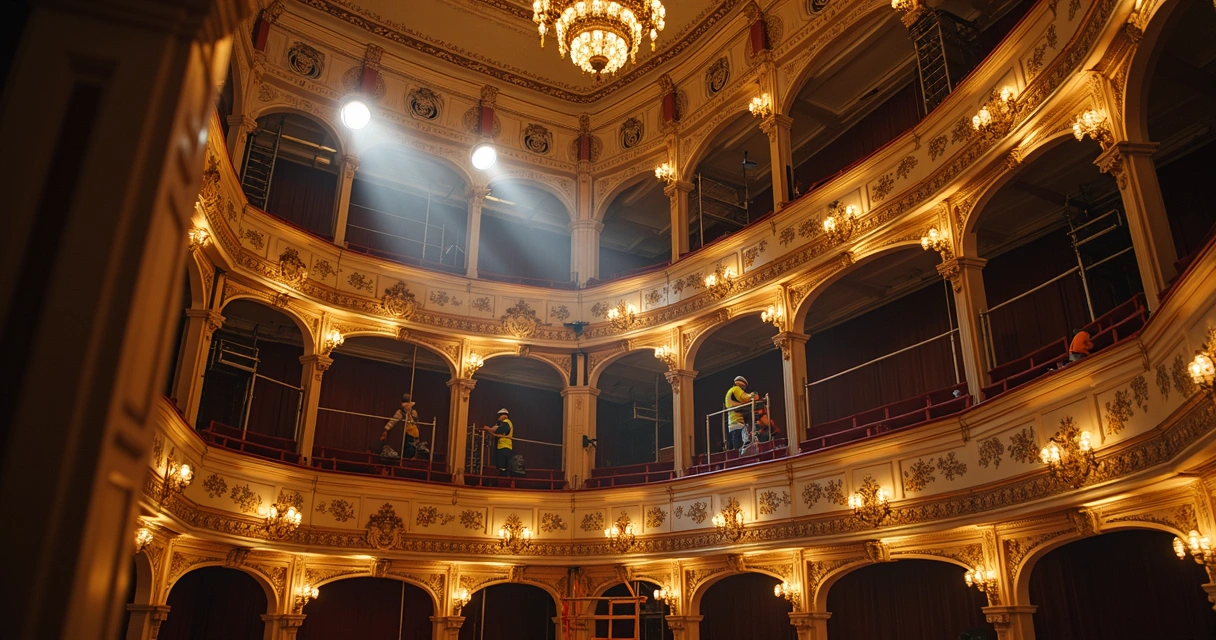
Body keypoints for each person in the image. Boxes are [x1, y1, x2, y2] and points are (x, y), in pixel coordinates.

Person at [724, 375, 759, 452]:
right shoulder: (736, 389)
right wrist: (753, 395)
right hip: (737, 419)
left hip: (732, 420)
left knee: (734, 439)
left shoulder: (730, 391)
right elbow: (744, 397)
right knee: (738, 441)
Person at [380, 393, 419, 459]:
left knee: (411, 450)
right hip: (408, 434)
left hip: (414, 434)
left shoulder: (413, 412)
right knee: (408, 450)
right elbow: (393, 421)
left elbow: (417, 422)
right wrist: (386, 429)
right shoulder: (401, 412)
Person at [480, 408, 514, 476]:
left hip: (504, 447)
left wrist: (488, 429)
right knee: (502, 466)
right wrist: (489, 430)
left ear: (503, 415)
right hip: (506, 447)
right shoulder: (505, 423)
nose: (498, 417)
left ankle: (503, 481)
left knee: (502, 466)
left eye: (499, 415)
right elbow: (495, 430)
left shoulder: (506, 422)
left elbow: (498, 430)